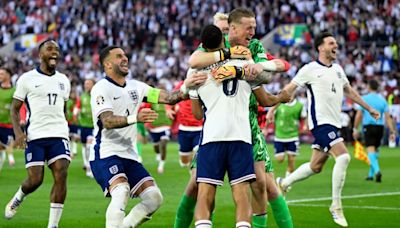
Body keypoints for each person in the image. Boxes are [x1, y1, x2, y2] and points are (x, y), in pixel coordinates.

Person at [183, 8, 293, 228]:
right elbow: (266, 95)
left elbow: (196, 109)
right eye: (248, 27)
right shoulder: (243, 64)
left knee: (208, 190)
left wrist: (192, 89)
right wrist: (282, 94)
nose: (252, 31)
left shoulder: (197, 74)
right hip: (241, 135)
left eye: (253, 27)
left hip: (216, 135)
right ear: (230, 30)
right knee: (240, 192)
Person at [89, 45, 207, 228]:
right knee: (121, 191)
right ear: (107, 64)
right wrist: (135, 118)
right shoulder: (100, 88)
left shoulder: (137, 87)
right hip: (105, 152)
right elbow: (107, 121)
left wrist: (187, 85)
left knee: (154, 198)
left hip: (129, 155)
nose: (125, 58)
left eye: (125, 55)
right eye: (119, 56)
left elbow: (170, 97)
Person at [276, 31, 380, 227]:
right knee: (344, 156)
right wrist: (273, 107)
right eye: (331, 43)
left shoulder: (339, 69)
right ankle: (336, 206)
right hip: (320, 123)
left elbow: (350, 91)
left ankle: (283, 183)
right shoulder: (310, 69)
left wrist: (369, 108)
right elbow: (289, 89)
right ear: (320, 47)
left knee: (316, 166)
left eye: (336, 43)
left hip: (334, 124)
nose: (336, 46)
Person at [5, 40, 72, 228]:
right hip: (36, 135)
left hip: (59, 135)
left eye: (57, 50)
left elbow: (63, 109)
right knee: (35, 180)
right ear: (40, 54)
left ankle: (53, 225)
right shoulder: (27, 79)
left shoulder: (64, 80)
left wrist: (65, 130)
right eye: (50, 49)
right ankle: (19, 196)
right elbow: (14, 109)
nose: (54, 53)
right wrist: (19, 133)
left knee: (61, 173)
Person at [352, 79, 397, 182]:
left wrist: (355, 128)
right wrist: (392, 131)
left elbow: (359, 115)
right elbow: (387, 117)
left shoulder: (364, 99)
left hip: (369, 126)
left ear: (369, 87)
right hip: (380, 127)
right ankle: (370, 175)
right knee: (375, 150)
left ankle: (377, 171)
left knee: (370, 150)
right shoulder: (382, 100)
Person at [266, 96, 306, 177]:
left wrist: (305, 126)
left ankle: (286, 182)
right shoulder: (278, 105)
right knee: (279, 159)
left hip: (293, 136)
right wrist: (266, 128)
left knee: (291, 160)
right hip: (279, 136)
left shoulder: (299, 105)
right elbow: (270, 116)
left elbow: (304, 117)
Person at [75, 78, 96, 178]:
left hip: (93, 126)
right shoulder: (82, 97)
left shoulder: (97, 96)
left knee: (89, 146)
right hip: (83, 125)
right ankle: (85, 162)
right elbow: (77, 107)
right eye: (85, 84)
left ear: (93, 85)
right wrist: (76, 112)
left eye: (88, 83)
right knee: (84, 146)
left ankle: (89, 167)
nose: (86, 85)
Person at [0, 67, 16, 170]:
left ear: (8, 75)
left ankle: (9, 156)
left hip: (8, 124)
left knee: (6, 145)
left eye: (2, 74)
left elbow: (19, 106)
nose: (0, 75)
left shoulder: (15, 90)